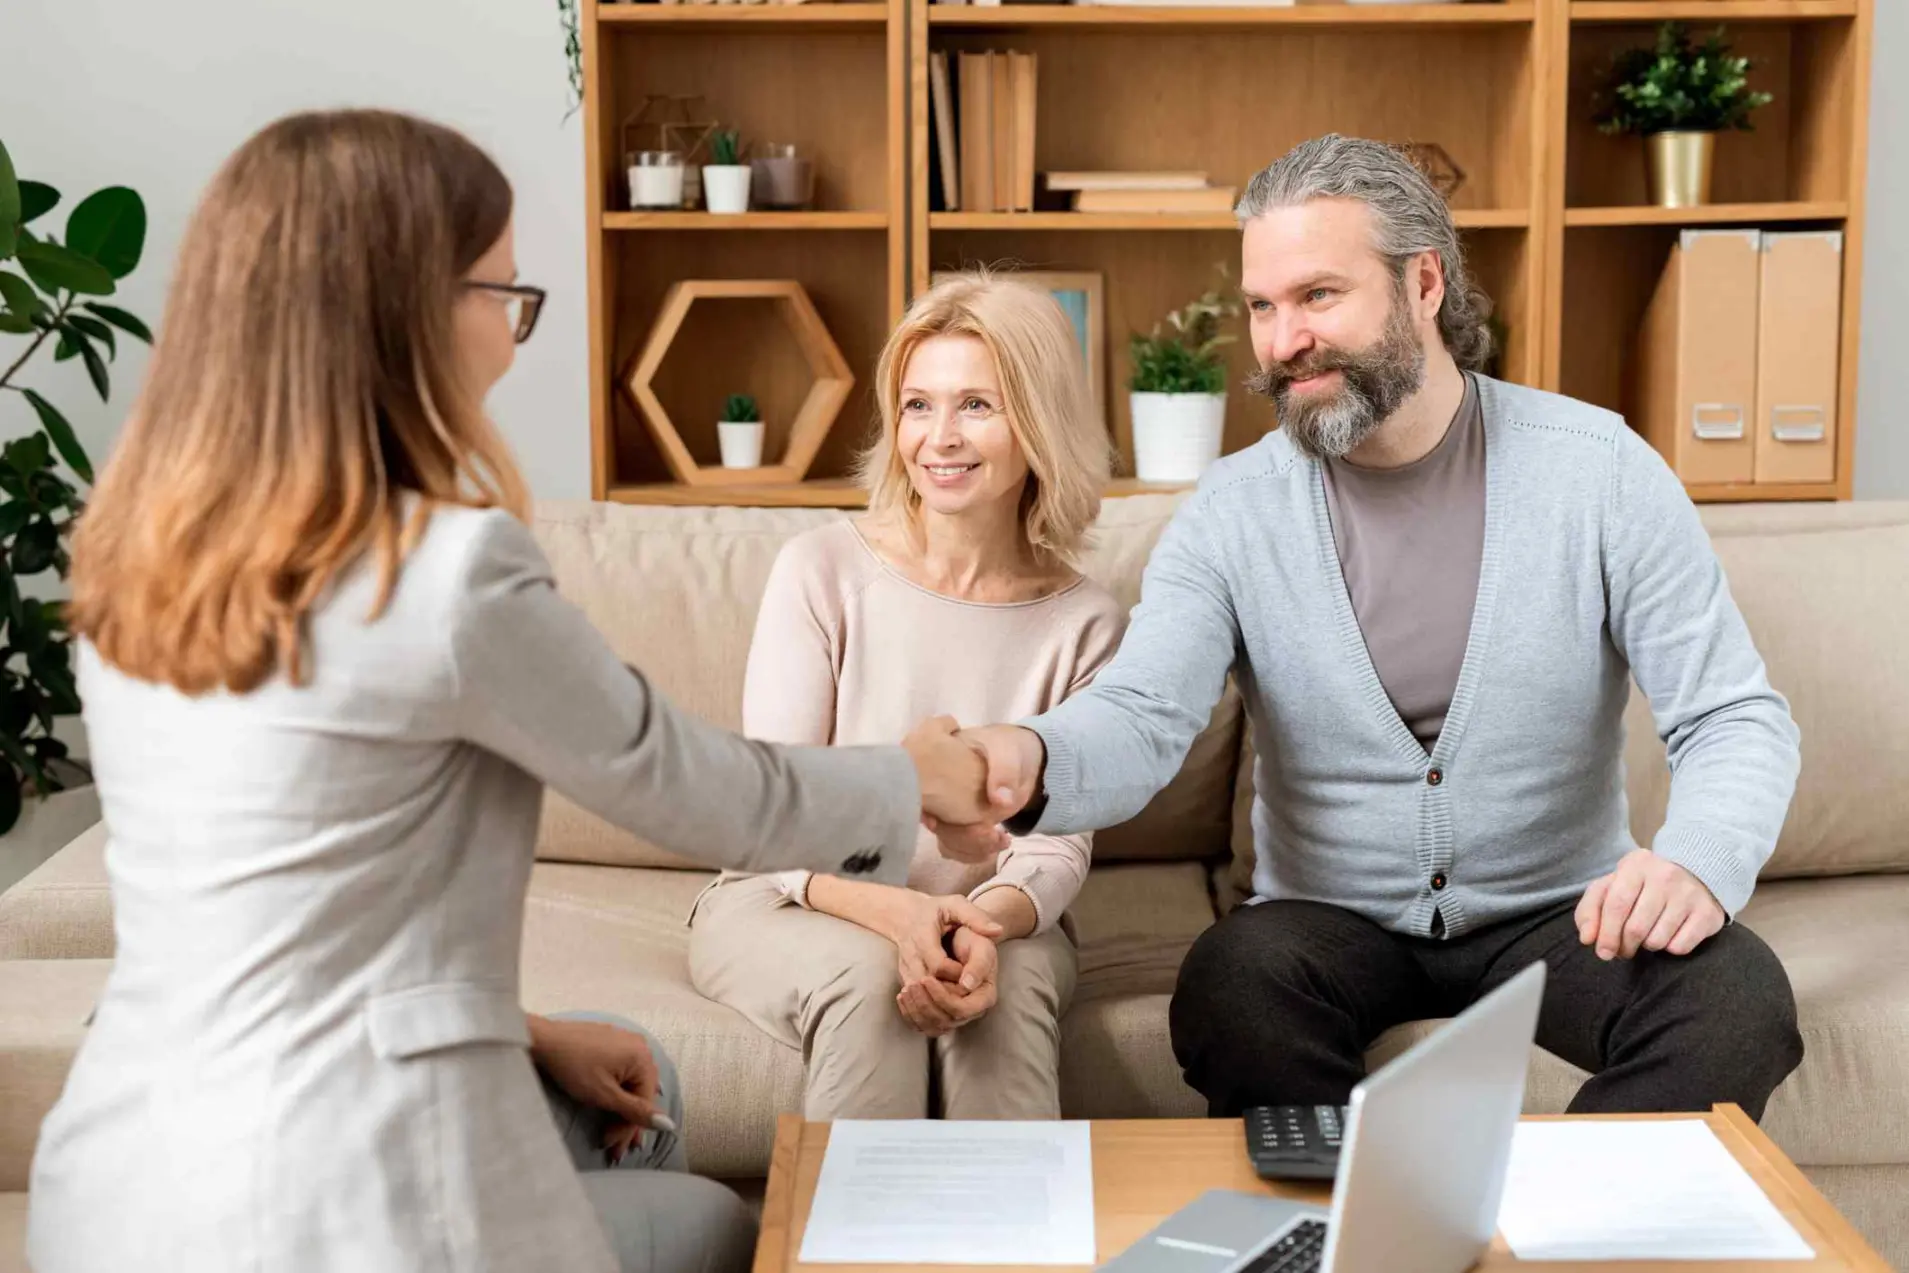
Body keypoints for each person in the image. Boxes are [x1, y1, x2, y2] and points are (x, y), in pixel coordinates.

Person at [27, 109, 1010, 1273]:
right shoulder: (440, 571)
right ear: (404, 311)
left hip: (114, 1188)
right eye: (501, 293)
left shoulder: (135, 562)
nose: (511, 333)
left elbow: (287, 915)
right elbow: (694, 788)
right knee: (716, 1226)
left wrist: (527, 1033)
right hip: (340, 1198)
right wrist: (914, 777)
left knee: (643, 1089)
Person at [950, 134, 1806, 1122]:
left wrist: (1695, 858)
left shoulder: (1598, 470)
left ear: (1423, 284)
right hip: (1325, 925)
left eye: (1317, 295)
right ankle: (1352, 1206)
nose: (1282, 341)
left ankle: (1558, 1208)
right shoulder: (1230, 511)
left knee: (1736, 1001)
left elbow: (1732, 714)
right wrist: (1027, 758)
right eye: (1261, 307)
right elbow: (1142, 715)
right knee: (1232, 987)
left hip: (1562, 915)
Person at [689, 274, 1123, 1121]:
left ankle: (1015, 1218)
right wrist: (903, 916)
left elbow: (1055, 845)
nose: (939, 437)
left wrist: (979, 925)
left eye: (976, 405)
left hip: (997, 912)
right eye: (918, 405)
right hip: (789, 893)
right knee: (871, 979)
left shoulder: (1087, 624)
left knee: (1002, 995)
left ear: (1039, 422)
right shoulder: (820, 569)